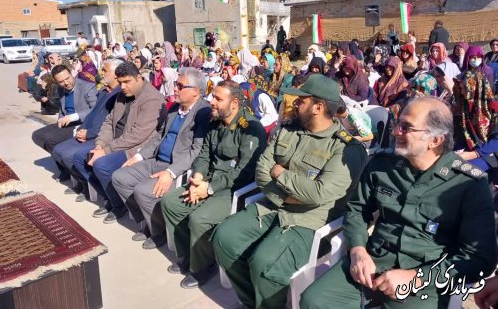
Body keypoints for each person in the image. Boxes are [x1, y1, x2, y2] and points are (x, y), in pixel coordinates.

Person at [300, 97, 497, 309]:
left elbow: (479, 258)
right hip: (374, 262)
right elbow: (357, 210)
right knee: (314, 300)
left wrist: (416, 278)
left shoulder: (468, 183)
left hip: (425, 280)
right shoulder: (383, 165)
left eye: (406, 128)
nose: (395, 132)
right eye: (397, 124)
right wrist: (358, 250)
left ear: (435, 140)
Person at [213, 74, 367, 308]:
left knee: (264, 263)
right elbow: (262, 170)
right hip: (270, 206)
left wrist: (281, 174)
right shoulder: (288, 129)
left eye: (301, 100)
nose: (295, 103)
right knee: (224, 238)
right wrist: (286, 194)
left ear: (318, 107)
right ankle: (253, 301)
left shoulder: (347, 148)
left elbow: (317, 194)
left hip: (308, 220)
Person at [161, 80, 267, 289]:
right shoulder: (215, 122)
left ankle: (202, 265)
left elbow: (245, 173)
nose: (211, 101)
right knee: (170, 202)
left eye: (218, 98)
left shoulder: (251, 128)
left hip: (232, 189)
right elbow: (203, 155)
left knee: (199, 218)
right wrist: (199, 176)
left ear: (234, 103)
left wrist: (208, 189)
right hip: (207, 180)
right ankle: (187, 254)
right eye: (212, 96)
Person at [112, 68, 211, 249]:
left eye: (180, 86)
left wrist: (171, 172)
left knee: (142, 191)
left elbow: (197, 150)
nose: (174, 89)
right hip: (156, 160)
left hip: (175, 167)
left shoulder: (203, 113)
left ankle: (158, 232)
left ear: (196, 92)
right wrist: (140, 156)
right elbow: (159, 136)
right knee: (120, 178)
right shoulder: (174, 108)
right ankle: (152, 220)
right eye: (175, 85)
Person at [72, 62, 164, 223]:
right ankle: (111, 198)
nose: (122, 86)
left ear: (138, 78)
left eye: (127, 82)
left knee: (102, 165)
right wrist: (100, 144)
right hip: (114, 143)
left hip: (134, 148)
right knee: (80, 158)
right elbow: (109, 122)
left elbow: (138, 135)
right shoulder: (122, 95)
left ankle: (119, 205)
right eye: (120, 82)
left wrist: (106, 150)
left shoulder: (152, 99)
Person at [51, 59, 123, 200]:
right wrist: (82, 129)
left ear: (116, 74)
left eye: (104, 70)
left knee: (73, 156)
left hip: (100, 136)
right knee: (58, 151)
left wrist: (89, 134)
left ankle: (109, 198)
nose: (100, 73)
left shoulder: (119, 94)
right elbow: (93, 114)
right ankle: (86, 184)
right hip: (88, 131)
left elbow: (109, 122)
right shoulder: (104, 90)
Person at [32, 64, 97, 179]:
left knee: (50, 138)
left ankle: (72, 171)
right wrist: (60, 120)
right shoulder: (60, 89)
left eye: (67, 78)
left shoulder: (87, 87)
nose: (66, 83)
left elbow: (95, 110)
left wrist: (74, 117)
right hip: (66, 122)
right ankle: (64, 166)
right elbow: (63, 109)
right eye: (61, 81)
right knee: (37, 135)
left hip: (81, 124)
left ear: (72, 73)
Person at [453, 71, 498, 174]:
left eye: (465, 88)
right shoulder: (465, 107)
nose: (462, 92)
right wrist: (457, 151)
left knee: (462, 170)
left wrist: (474, 154)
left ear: (475, 88)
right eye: (460, 88)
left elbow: (496, 142)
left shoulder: (494, 108)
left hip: (490, 153)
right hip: (470, 149)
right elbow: (462, 134)